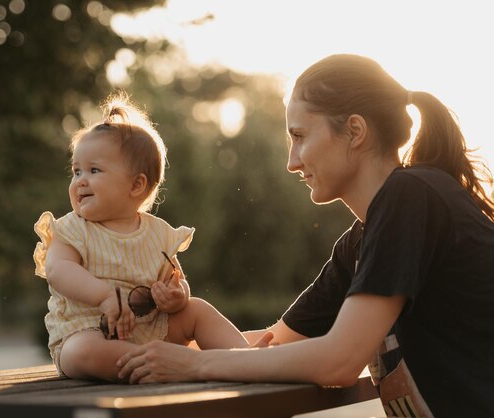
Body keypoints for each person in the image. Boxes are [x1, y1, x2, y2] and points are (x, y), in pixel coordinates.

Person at [116, 54, 494, 418]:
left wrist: (196, 365)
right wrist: (140, 350)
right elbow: (271, 345)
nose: (291, 161)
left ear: (355, 132)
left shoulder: (411, 197)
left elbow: (340, 361)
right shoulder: (362, 241)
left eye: (299, 136)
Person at [33, 93, 248, 382]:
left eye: (94, 170)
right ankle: (183, 366)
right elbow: (59, 272)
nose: (80, 180)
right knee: (82, 353)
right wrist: (104, 296)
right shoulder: (71, 228)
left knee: (197, 309)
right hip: (88, 331)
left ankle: (248, 358)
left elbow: (175, 279)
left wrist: (176, 297)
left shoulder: (158, 233)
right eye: (76, 171)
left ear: (136, 185)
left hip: (151, 330)